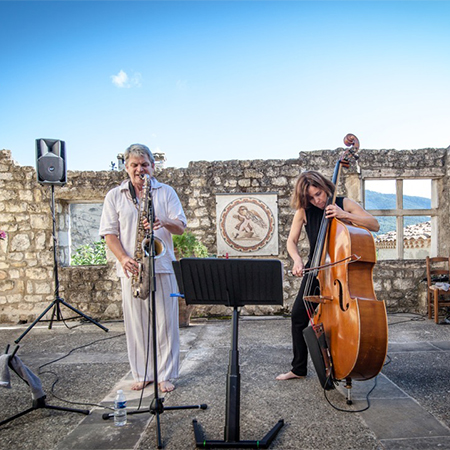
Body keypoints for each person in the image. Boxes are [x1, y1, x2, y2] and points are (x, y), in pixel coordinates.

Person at [276, 170, 380, 381]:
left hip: (340, 273)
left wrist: (344, 215)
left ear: (325, 187)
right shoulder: (304, 211)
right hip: (315, 270)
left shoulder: (344, 203)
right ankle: (298, 369)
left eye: (319, 194)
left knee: (343, 320)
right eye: (311, 198)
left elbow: (374, 224)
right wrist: (297, 260)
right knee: (298, 316)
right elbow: (291, 242)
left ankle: (348, 359)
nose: (318, 200)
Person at [99, 144, 186, 392]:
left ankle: (164, 375)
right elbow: (109, 233)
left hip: (162, 265)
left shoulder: (166, 192)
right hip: (132, 268)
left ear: (153, 166)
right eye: (134, 165)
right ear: (126, 168)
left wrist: (163, 220)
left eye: (144, 164)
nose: (140, 169)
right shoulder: (114, 196)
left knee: (166, 324)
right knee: (136, 325)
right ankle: (143, 372)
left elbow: (180, 226)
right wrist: (124, 258)